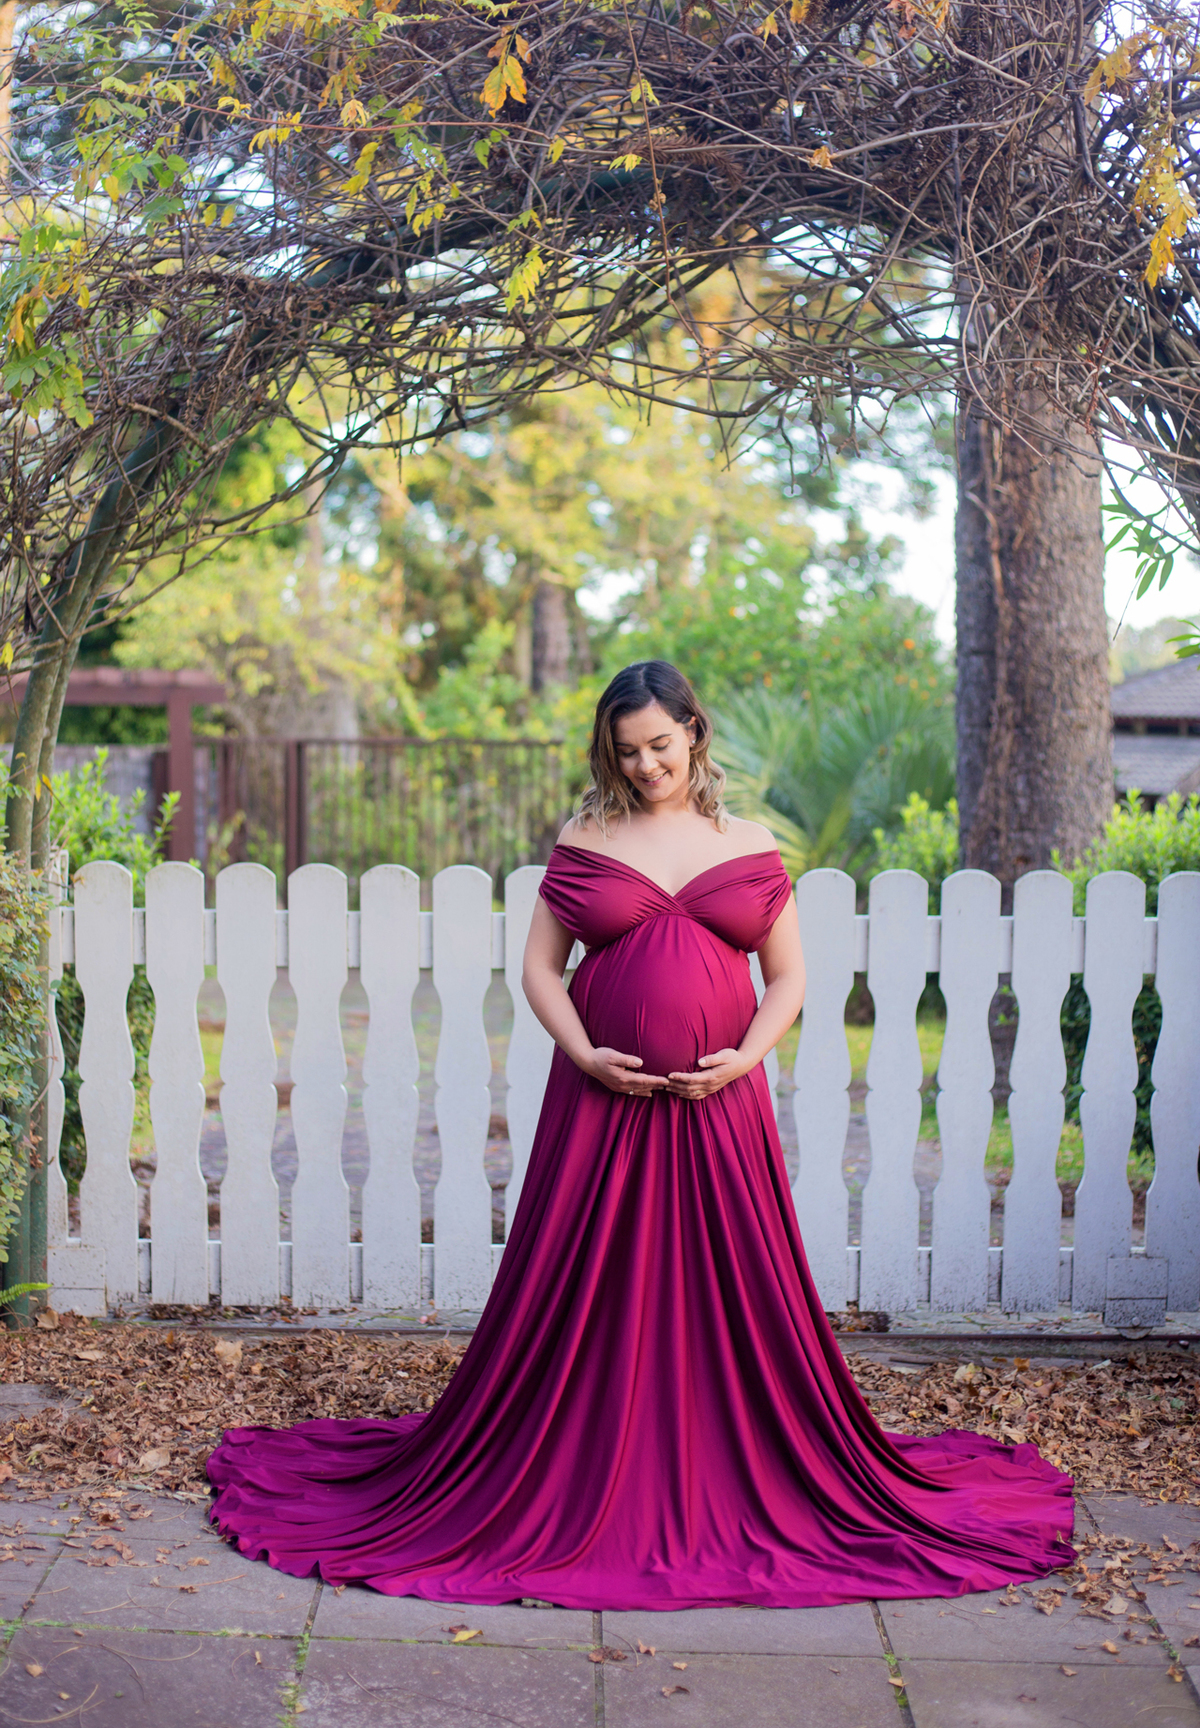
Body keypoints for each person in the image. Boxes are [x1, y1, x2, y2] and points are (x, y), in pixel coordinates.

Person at [208, 659, 1073, 1609]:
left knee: (726, 1282)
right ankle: (581, 1454)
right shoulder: (588, 836)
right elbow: (540, 967)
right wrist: (583, 1051)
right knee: (586, 1282)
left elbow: (787, 977)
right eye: (628, 751)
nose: (647, 765)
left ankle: (716, 1453)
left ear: (694, 732)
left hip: (718, 1109)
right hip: (601, 1105)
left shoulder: (746, 840)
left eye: (660, 744)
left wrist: (744, 1059)